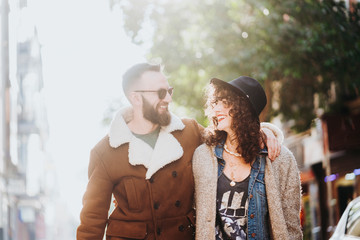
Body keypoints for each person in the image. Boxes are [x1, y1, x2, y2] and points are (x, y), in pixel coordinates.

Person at [76, 63, 282, 240]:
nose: (168, 98)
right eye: (160, 93)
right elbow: (92, 222)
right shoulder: (105, 152)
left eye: (169, 91)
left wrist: (263, 131)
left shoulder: (189, 131)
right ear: (136, 98)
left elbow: (230, 137)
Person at [192, 76, 302, 240]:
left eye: (225, 102)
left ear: (243, 109)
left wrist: (267, 131)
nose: (216, 110)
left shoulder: (280, 160)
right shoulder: (203, 156)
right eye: (215, 103)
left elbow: (291, 227)